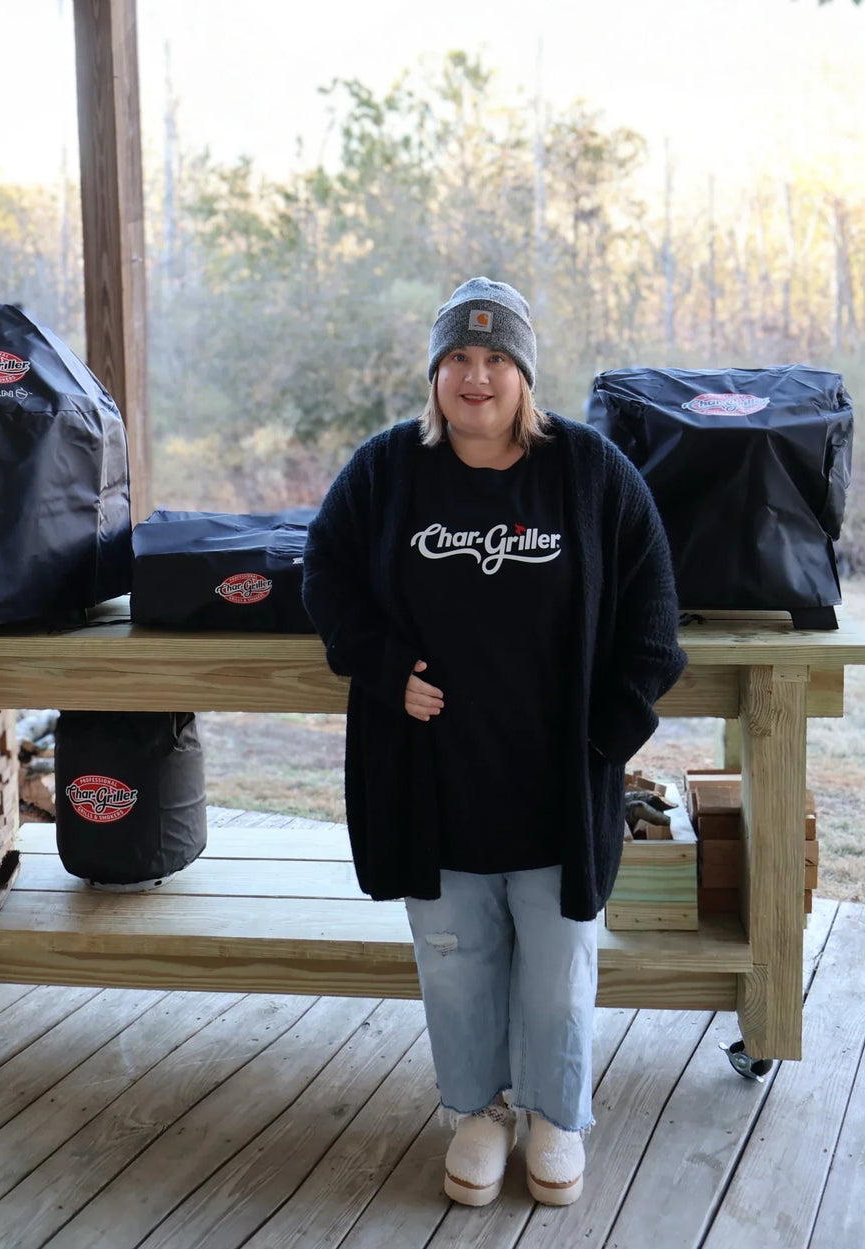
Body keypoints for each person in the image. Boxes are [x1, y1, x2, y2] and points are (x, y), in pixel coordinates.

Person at [301, 276, 687, 1208]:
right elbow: (324, 570)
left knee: (559, 969)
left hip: (556, 783)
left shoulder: (590, 473)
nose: (476, 377)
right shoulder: (387, 470)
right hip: (434, 781)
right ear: (436, 374)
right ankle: (477, 1112)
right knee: (454, 960)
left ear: (525, 374)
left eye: (496, 359)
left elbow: (654, 615)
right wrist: (386, 668)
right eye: (458, 360)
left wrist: (612, 726)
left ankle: (556, 1114)